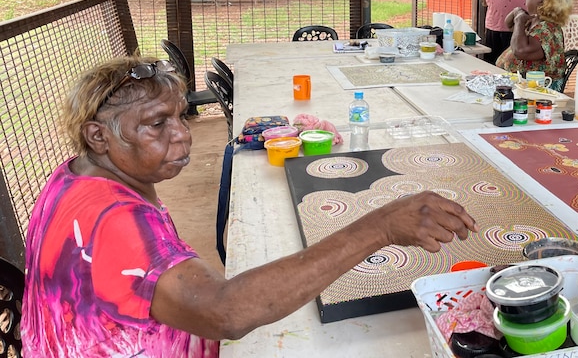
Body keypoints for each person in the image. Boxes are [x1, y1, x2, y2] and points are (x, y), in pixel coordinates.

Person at [22, 56, 478, 356]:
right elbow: (225, 312)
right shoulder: (112, 221)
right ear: (98, 136)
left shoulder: (76, 176)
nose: (181, 134)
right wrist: (380, 226)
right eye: (156, 124)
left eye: (180, 116)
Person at [495, 0, 572, 92]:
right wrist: (517, 11)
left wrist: (520, 20)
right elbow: (509, 24)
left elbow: (520, 51)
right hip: (522, 85)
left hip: (538, 90)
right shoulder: (535, 21)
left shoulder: (547, 29)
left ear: (542, 3)